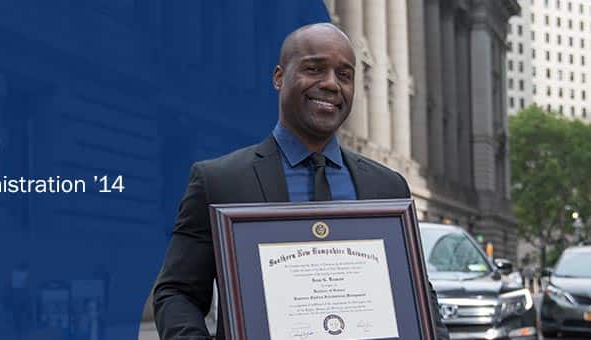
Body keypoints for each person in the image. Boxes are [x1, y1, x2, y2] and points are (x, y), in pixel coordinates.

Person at [151, 23, 450, 340]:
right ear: (279, 77)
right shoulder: (219, 181)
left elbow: (418, 294)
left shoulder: (388, 187)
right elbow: (176, 293)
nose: (332, 84)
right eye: (314, 68)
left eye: (344, 75)